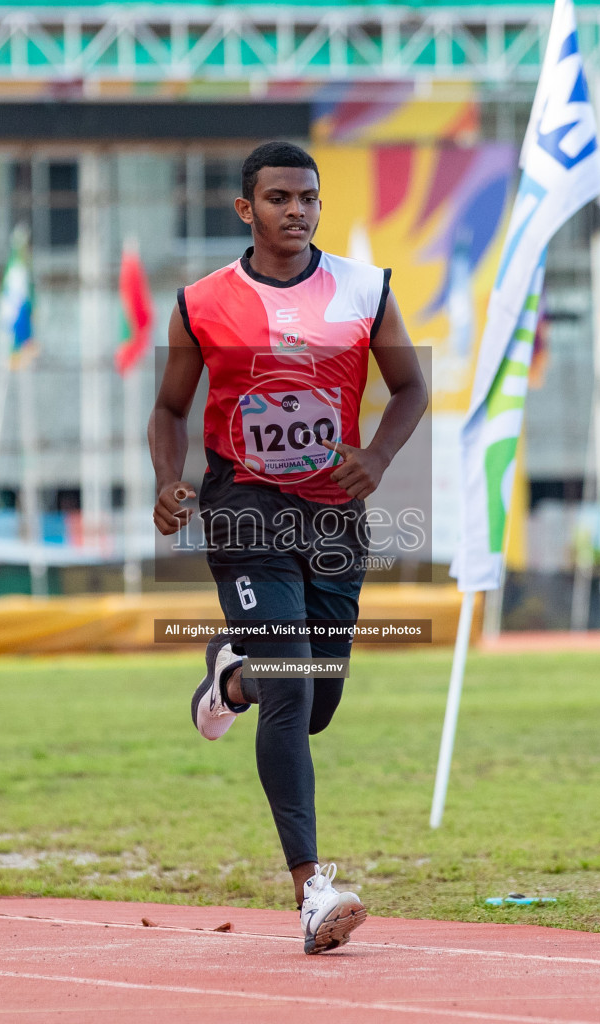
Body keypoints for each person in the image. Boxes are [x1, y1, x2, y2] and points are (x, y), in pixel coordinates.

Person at [148, 141, 428, 954]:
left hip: (333, 514)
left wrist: (374, 458)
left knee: (315, 702)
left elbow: (410, 386)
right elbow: (169, 408)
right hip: (245, 506)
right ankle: (313, 892)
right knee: (297, 692)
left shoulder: (363, 289)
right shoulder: (203, 302)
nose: (296, 210)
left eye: (307, 197)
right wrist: (171, 480)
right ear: (246, 209)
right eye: (278, 198)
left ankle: (230, 677)